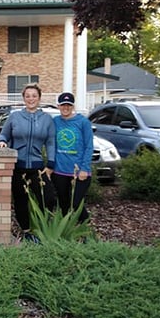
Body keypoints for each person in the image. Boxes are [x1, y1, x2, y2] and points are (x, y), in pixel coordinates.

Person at [0, 83, 56, 237]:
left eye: (34, 96)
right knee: (20, 199)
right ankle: (26, 231)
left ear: (39, 98)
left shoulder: (47, 119)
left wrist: (51, 164)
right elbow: (4, 134)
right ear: (24, 98)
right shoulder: (15, 116)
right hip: (18, 166)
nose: (31, 99)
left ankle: (42, 227)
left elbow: (50, 142)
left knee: (48, 198)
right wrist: (2, 141)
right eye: (27, 96)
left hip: (37, 167)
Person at [52, 92, 93, 223]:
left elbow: (89, 146)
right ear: (58, 106)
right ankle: (67, 232)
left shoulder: (83, 122)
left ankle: (86, 231)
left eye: (68, 105)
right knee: (63, 204)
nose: (66, 108)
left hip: (78, 171)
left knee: (76, 204)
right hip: (59, 171)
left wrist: (84, 168)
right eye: (63, 105)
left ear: (73, 106)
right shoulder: (55, 122)